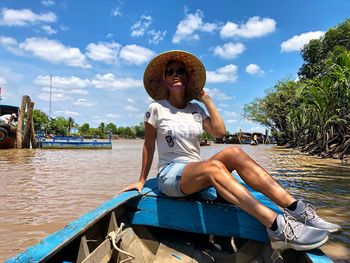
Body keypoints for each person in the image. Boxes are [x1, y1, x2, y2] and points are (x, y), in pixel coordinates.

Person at [123, 50, 341, 251]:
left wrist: (207, 100)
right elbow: (148, 145)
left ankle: (299, 210)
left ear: (188, 77)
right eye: (169, 72)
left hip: (196, 171)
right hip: (171, 175)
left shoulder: (195, 109)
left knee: (235, 153)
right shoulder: (156, 108)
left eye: (180, 71)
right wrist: (141, 180)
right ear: (163, 79)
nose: (175, 74)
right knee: (214, 168)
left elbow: (219, 132)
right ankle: (277, 227)